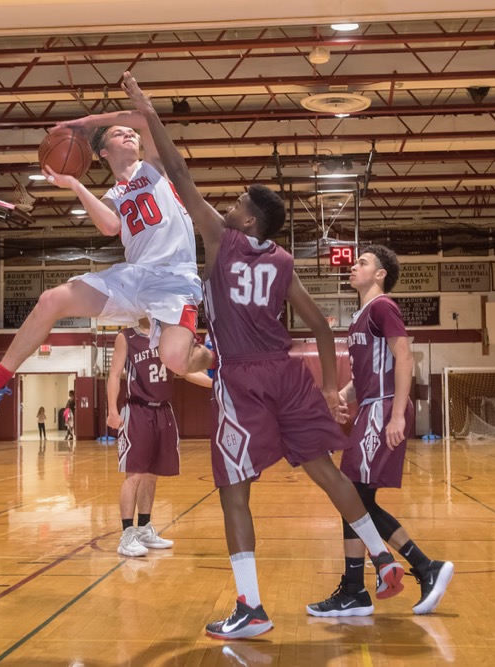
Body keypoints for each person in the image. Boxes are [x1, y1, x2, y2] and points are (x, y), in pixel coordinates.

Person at [122, 72, 405, 640]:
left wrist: (148, 112)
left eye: (236, 203)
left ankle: (250, 607)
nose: (227, 205)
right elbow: (323, 328)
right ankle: (382, 557)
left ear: (246, 220)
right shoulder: (280, 261)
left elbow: (179, 174)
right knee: (325, 470)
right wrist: (328, 387)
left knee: (234, 491)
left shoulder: (221, 240)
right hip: (290, 375)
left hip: (243, 379)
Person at [0, 105, 213, 415]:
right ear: (103, 153)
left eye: (130, 134)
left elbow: (142, 119)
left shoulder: (154, 166)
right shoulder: (113, 194)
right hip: (135, 277)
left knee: (176, 360)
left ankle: (218, 359)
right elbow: (110, 226)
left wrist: (87, 122)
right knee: (51, 300)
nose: (128, 133)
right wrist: (74, 184)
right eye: (117, 133)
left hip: (172, 278)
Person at [306, 246, 454, 618]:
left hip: (384, 407)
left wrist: (399, 415)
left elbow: (403, 356)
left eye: (363, 262)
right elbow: (363, 377)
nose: (354, 266)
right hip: (371, 406)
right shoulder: (360, 317)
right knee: (356, 499)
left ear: (381, 274)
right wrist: (340, 396)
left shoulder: (383, 307)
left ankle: (411, 571)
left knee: (351, 495)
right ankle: (377, 582)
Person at [109, 318, 212, 557]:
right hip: (137, 409)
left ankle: (145, 528)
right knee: (133, 475)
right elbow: (114, 375)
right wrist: (113, 411)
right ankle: (126, 535)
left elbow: (185, 371)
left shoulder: (168, 336)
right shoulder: (126, 337)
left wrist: (214, 384)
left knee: (151, 476)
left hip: (163, 410)